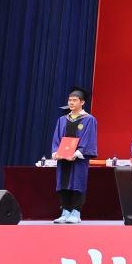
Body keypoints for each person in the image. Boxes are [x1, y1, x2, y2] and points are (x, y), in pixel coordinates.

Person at [51, 86, 98, 224]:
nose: (71, 102)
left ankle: (76, 212)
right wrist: (56, 152)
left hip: (78, 159)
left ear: (82, 102)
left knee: (77, 183)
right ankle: (65, 211)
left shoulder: (89, 119)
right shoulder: (62, 119)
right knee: (63, 184)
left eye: (74, 100)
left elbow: (89, 138)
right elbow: (57, 138)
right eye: (70, 100)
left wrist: (77, 153)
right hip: (63, 158)